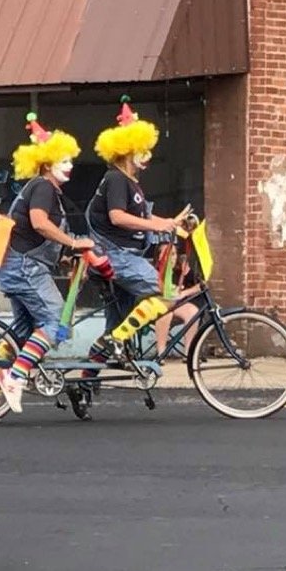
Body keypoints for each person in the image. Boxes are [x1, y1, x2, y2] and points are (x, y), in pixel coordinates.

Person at [0, 113, 94, 414]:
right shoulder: (42, 187)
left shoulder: (44, 190)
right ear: (45, 162)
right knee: (56, 323)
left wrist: (65, 256)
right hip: (23, 267)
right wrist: (73, 243)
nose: (69, 166)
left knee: (25, 330)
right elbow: (39, 224)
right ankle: (14, 377)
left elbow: (42, 232)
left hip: (16, 266)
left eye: (70, 160)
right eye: (63, 160)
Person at [83, 97, 185, 371]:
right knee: (164, 295)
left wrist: (170, 223)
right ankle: (118, 339)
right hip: (118, 257)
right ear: (128, 151)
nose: (148, 155)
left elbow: (142, 216)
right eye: (143, 149)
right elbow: (118, 216)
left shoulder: (130, 183)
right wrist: (157, 226)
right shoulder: (117, 179)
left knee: (115, 324)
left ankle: (85, 381)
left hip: (121, 257)